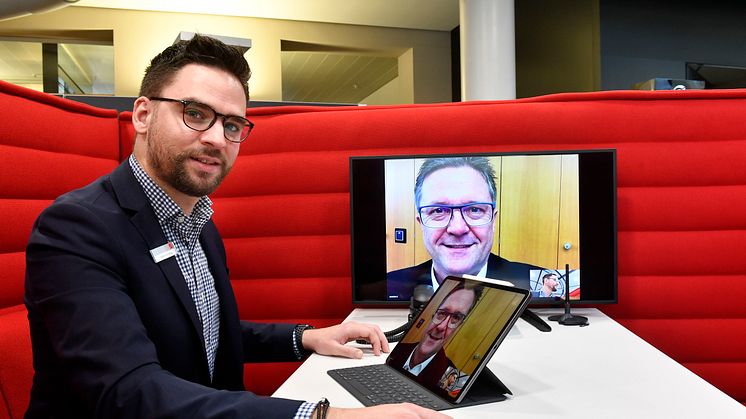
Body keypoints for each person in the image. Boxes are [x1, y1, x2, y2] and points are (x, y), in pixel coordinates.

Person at [24, 35, 449, 419]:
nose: (216, 138)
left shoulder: (199, 222)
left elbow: (207, 334)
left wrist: (308, 338)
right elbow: (129, 392)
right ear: (142, 114)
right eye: (195, 114)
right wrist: (325, 417)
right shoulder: (76, 228)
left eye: (231, 125)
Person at [387, 157, 542, 300]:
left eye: (474, 209)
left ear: (493, 220)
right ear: (421, 223)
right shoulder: (390, 286)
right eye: (438, 211)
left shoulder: (537, 285)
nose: (458, 228)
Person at [397, 283, 481, 386]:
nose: (441, 327)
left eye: (456, 318)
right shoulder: (399, 350)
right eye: (442, 313)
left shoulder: (453, 378)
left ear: (459, 327)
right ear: (434, 315)